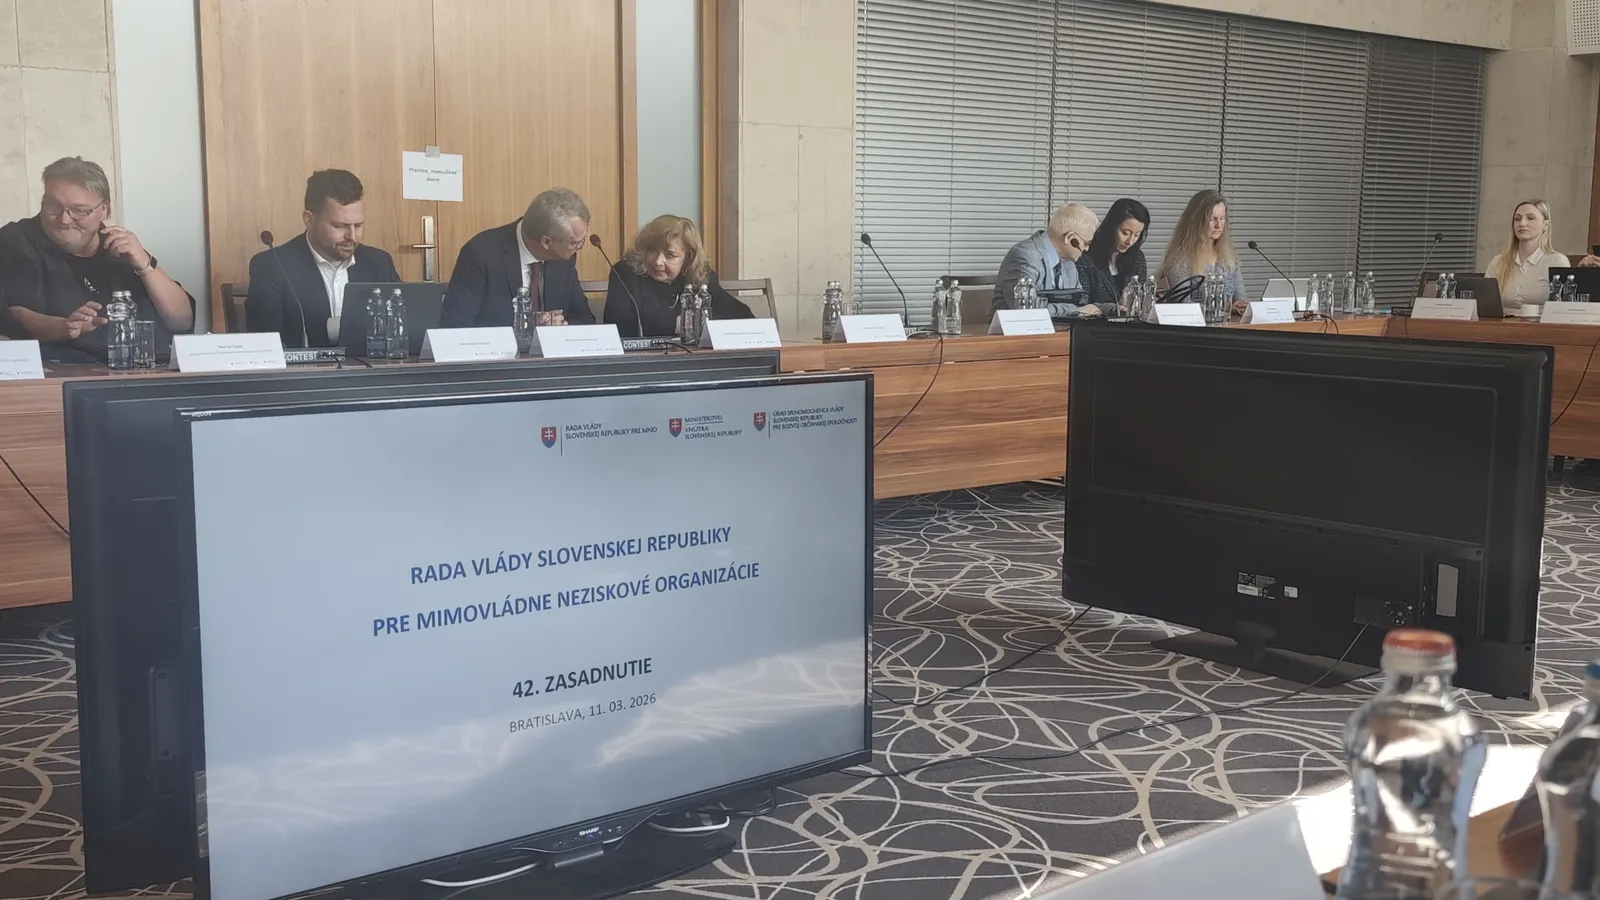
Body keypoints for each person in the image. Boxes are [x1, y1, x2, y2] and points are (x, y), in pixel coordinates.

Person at [0, 157, 194, 363]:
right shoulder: (16, 241)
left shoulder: (119, 245)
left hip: (145, 367)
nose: (64, 220)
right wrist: (65, 327)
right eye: (52, 206)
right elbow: (15, 316)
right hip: (64, 370)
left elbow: (182, 321)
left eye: (79, 211)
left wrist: (145, 265)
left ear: (105, 210)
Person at [245, 169, 400, 348]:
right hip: (306, 367)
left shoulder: (378, 262)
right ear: (309, 220)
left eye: (358, 225)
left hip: (370, 365)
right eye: (339, 226)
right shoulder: (273, 266)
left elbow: (402, 320)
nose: (352, 236)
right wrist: (333, 328)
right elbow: (265, 340)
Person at [440, 188, 597, 329]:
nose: (579, 247)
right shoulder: (480, 254)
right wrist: (526, 327)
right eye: (574, 243)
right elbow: (455, 326)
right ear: (547, 242)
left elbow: (584, 319)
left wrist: (561, 326)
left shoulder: (565, 258)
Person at [604, 215, 752, 338]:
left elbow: (742, 315)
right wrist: (681, 325)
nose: (658, 261)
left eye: (670, 255)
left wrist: (695, 323)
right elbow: (619, 325)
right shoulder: (625, 273)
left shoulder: (700, 276)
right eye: (652, 250)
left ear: (688, 257)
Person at [993, 202, 1101, 318]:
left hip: (1060, 329)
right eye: (1086, 243)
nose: (1086, 249)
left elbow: (1079, 302)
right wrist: (1074, 310)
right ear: (1070, 238)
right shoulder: (1025, 255)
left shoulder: (1069, 263)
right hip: (1015, 329)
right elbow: (1025, 309)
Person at [1157, 189, 1245, 307]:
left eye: (1222, 218)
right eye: (1212, 219)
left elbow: (1241, 299)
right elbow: (1184, 305)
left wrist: (1240, 307)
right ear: (1196, 221)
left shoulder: (1230, 255)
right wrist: (1223, 309)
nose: (1218, 225)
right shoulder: (1180, 258)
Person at [1487, 200, 1569, 315]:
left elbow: (1563, 308)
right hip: (1500, 323)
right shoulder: (1498, 262)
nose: (1522, 223)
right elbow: (1485, 303)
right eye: (1517, 219)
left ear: (1546, 225)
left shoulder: (1556, 261)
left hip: (1541, 324)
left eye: (1530, 218)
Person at [1077, 198, 1150, 309]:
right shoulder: (1086, 255)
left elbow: (1141, 300)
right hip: (1095, 319)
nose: (1130, 241)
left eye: (1137, 235)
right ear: (1111, 226)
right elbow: (1081, 303)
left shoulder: (1137, 258)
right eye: (1125, 233)